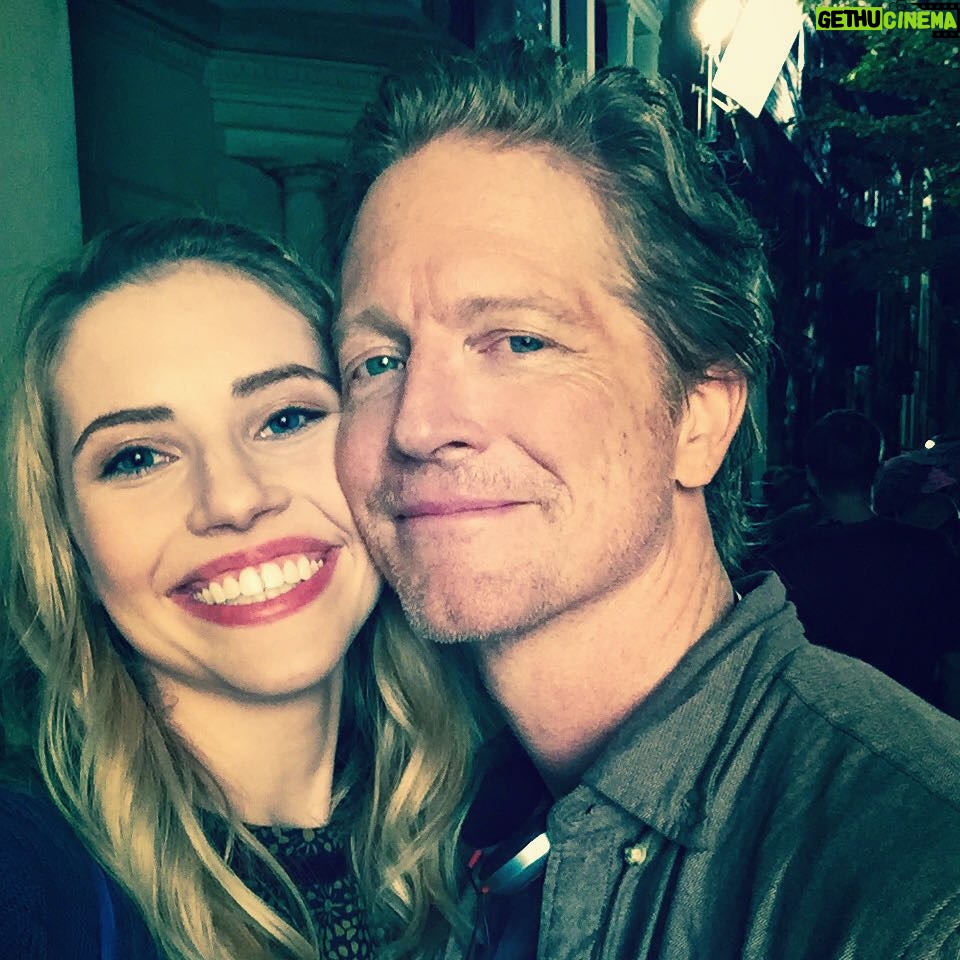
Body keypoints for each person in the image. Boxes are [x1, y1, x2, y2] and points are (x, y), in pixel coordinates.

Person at [330, 41, 960, 959]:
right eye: (377, 361)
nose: (418, 424)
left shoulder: (921, 896)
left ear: (700, 417)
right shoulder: (433, 815)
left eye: (519, 341)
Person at [0, 217, 483, 960]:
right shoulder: (28, 874)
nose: (232, 498)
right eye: (137, 458)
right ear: (70, 547)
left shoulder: (487, 825)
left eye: (286, 419)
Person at [763, 410, 960, 711]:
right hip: (910, 723)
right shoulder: (930, 551)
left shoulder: (782, 563)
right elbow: (952, 663)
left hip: (819, 728)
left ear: (812, 477)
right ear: (878, 472)